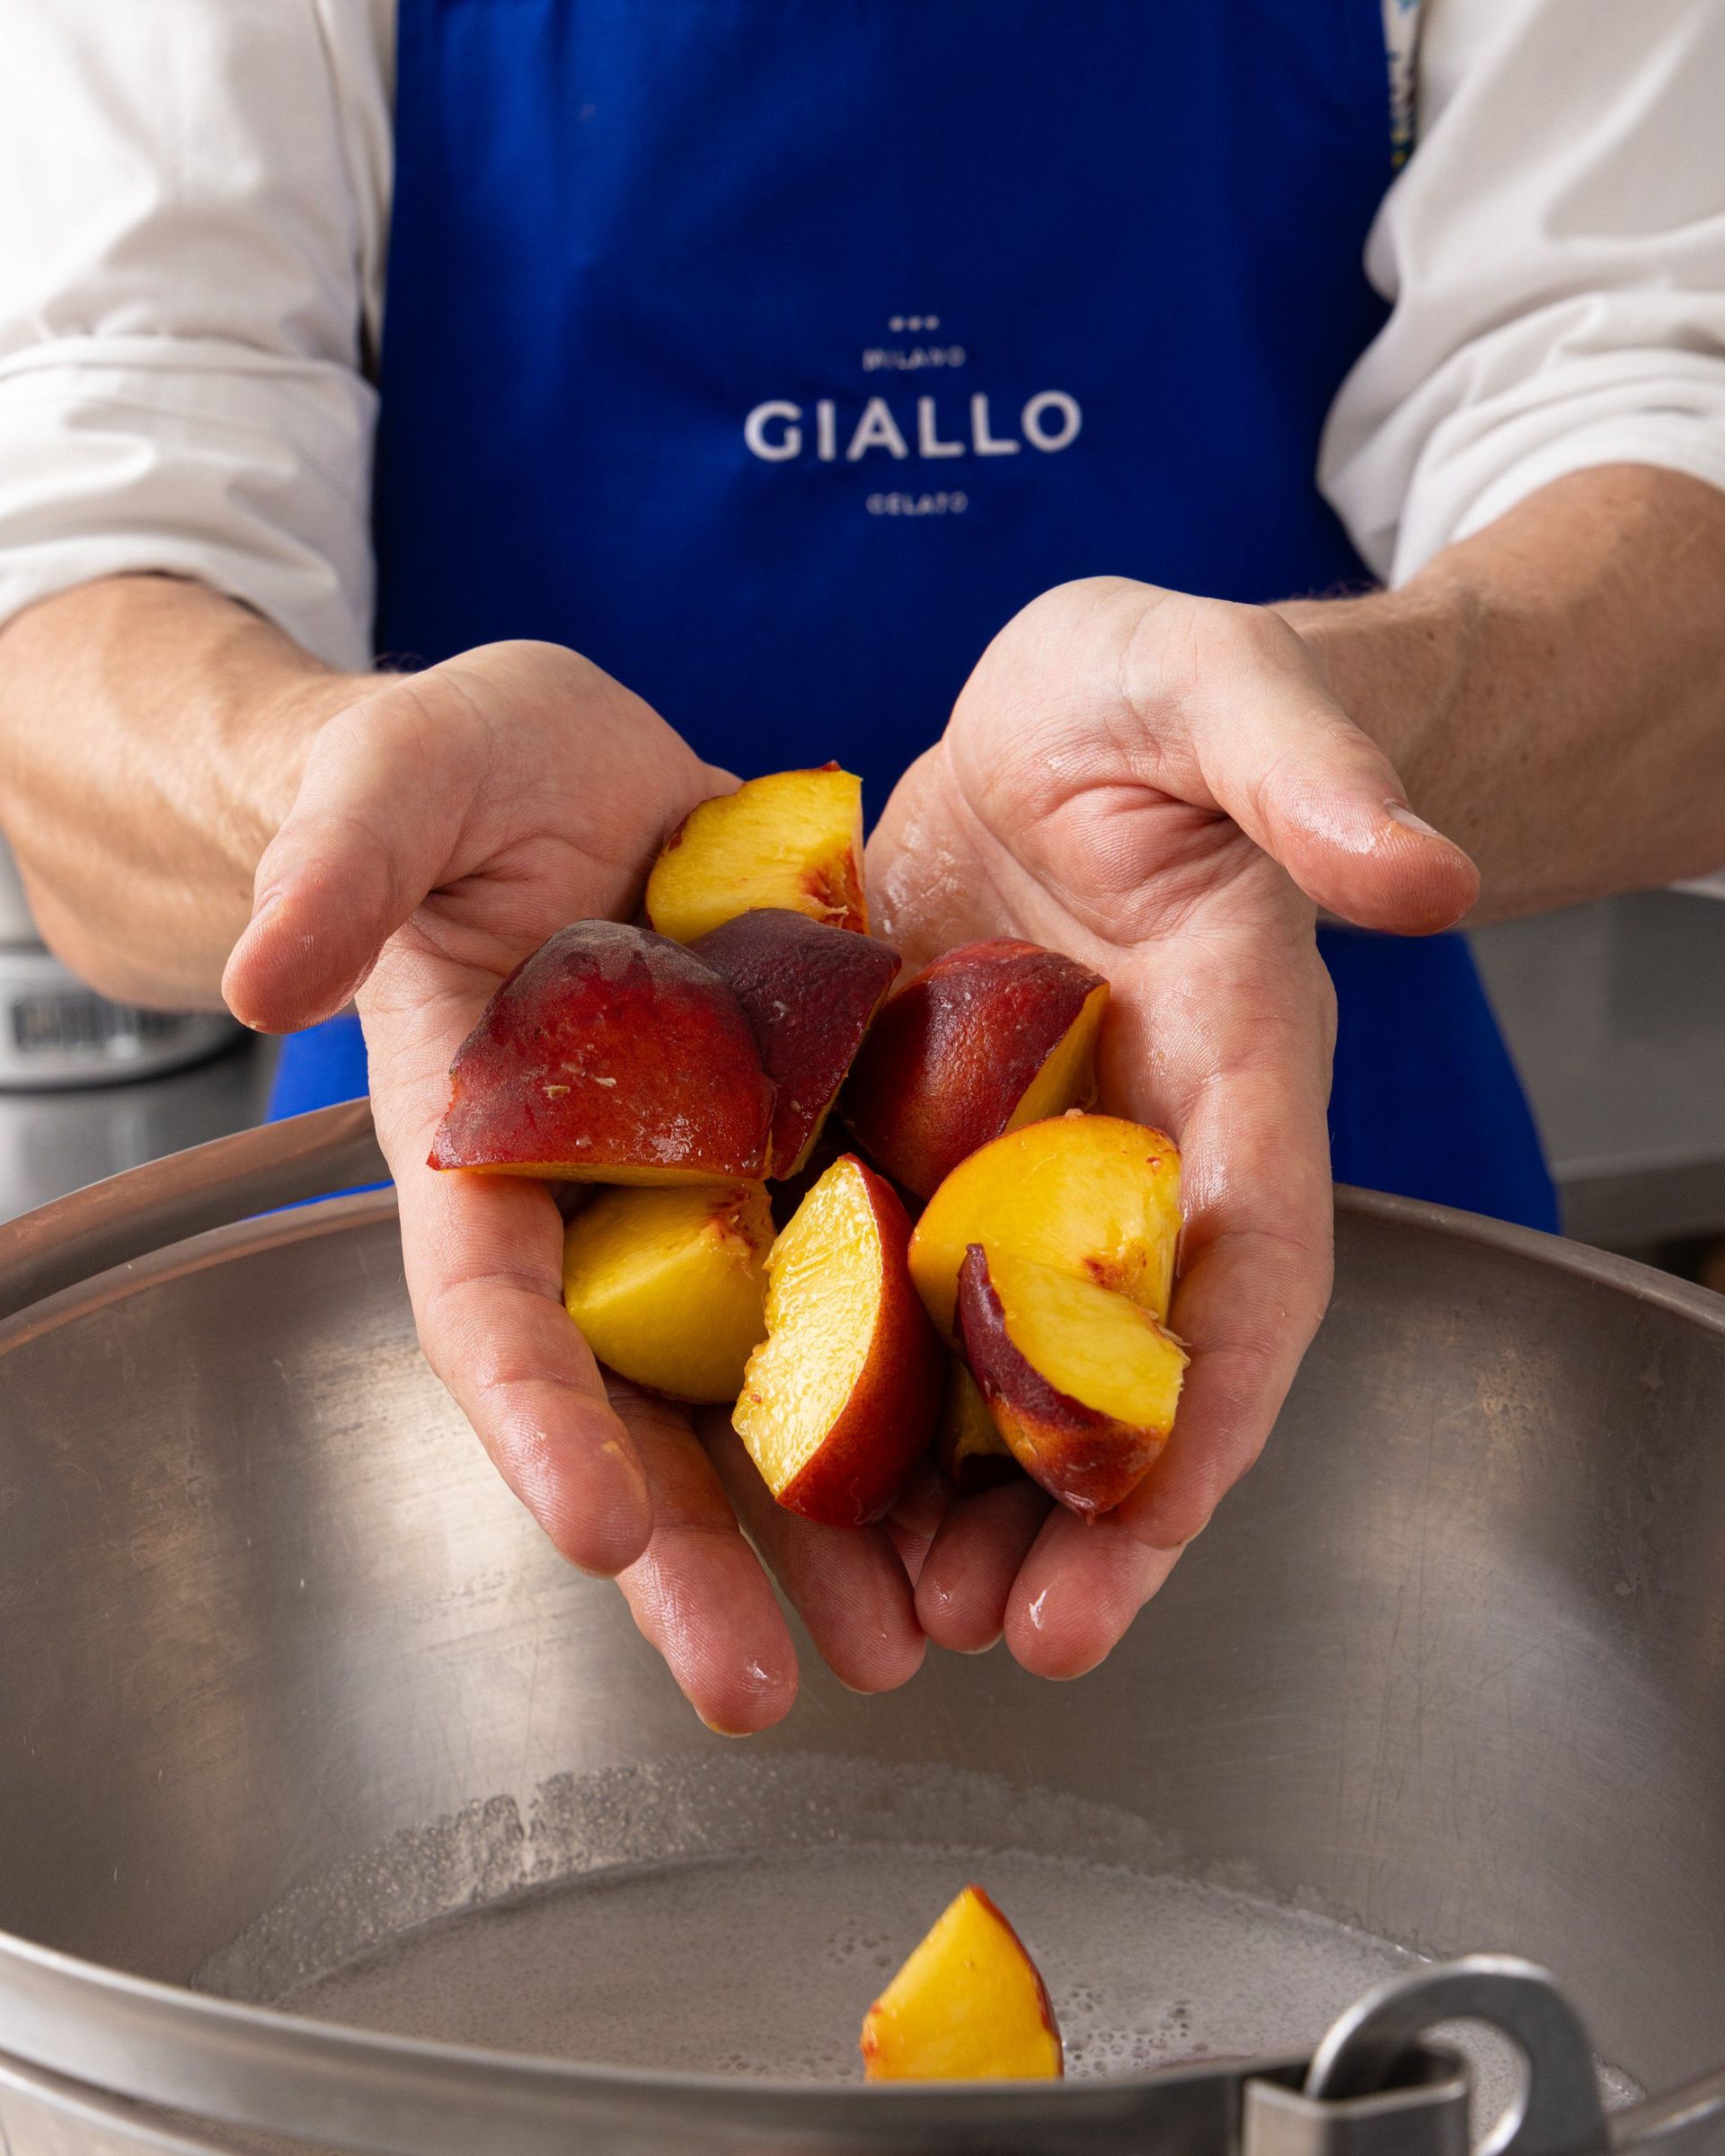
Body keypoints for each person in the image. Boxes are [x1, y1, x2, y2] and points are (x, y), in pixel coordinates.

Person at [1, 0, 1722, 1735]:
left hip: (1322, 1274)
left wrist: (1334, 724)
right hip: (452, 1332)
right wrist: (321, 793)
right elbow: (85, 600)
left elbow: (1676, 517)